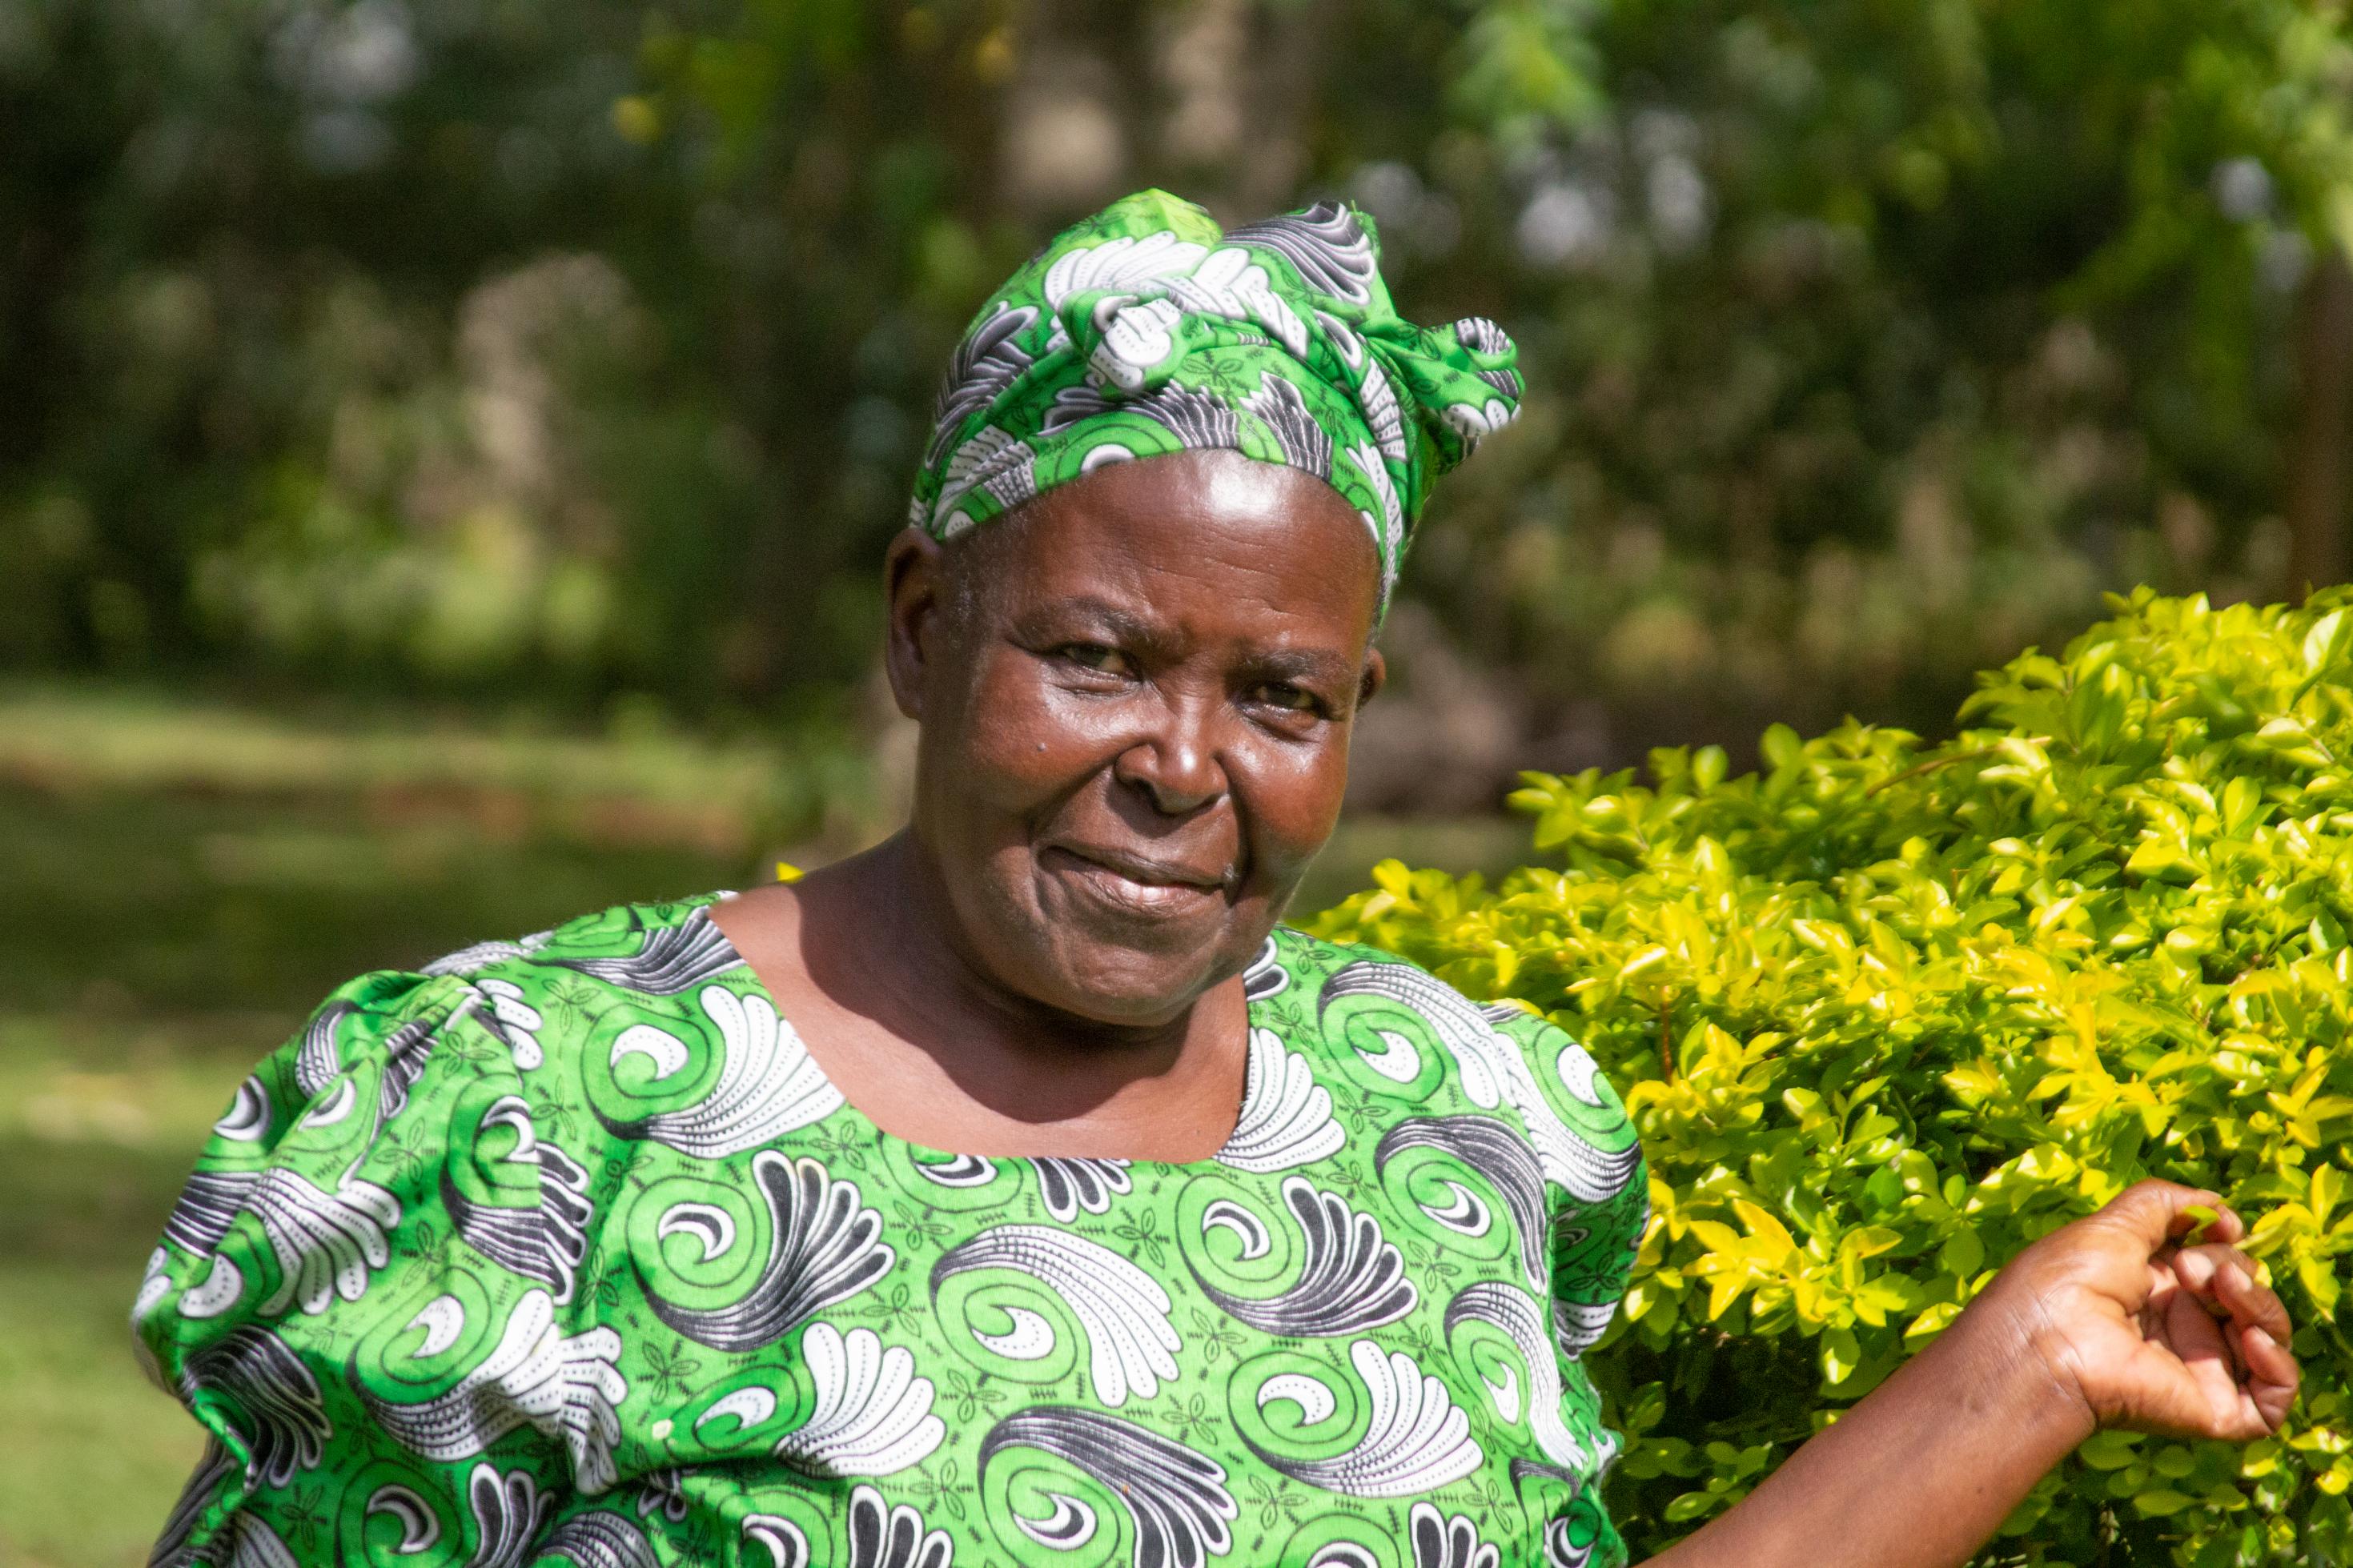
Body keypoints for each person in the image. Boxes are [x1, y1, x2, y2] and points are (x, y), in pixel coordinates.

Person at [136, 190, 2295, 1568]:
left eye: (1280, 698)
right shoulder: (538, 1119)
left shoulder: (1454, 1126)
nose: (1182, 770)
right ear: (919, 630)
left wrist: (2015, 1372)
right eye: (1091, 659)